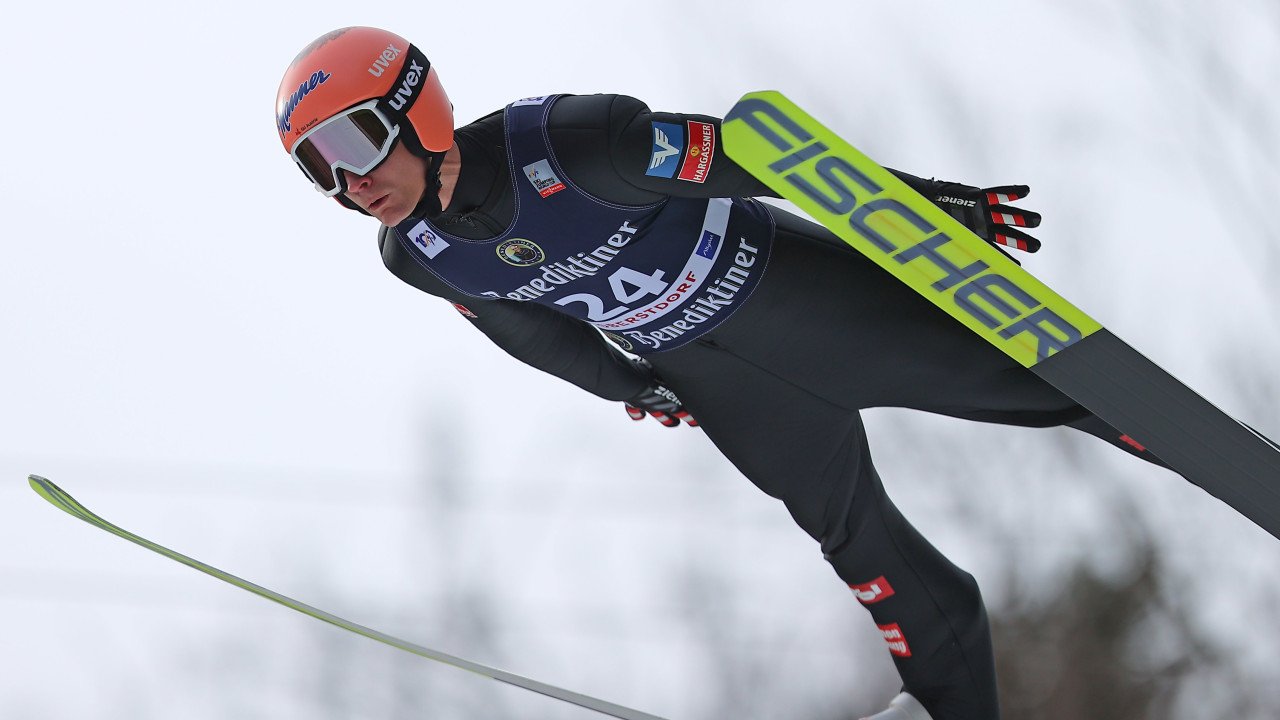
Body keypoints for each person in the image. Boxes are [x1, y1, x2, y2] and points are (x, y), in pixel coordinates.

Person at [275, 26, 1168, 720]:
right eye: (318, 167)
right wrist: (630, 386)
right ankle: (944, 701)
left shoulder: (576, 144)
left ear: (414, 108)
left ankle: (1213, 450)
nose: (347, 182)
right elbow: (526, 333)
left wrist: (923, 207)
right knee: (864, 550)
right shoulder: (418, 253)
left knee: (1047, 391)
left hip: (798, 300)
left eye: (351, 144)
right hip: (721, 380)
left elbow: (762, 156)